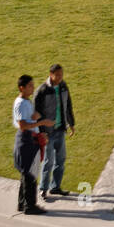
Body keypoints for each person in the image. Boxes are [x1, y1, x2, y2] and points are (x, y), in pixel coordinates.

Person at [13, 74, 54, 214]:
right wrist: (42, 122)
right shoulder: (20, 103)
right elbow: (23, 125)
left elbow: (28, 120)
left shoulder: (26, 102)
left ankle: (22, 204)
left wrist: (36, 122)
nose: (32, 88)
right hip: (26, 140)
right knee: (30, 174)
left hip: (31, 138)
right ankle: (30, 206)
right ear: (21, 87)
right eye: (30, 85)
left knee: (27, 174)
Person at [34, 65, 76, 201]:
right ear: (50, 74)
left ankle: (55, 187)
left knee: (61, 159)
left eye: (61, 75)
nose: (60, 77)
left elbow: (68, 105)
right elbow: (35, 113)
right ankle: (43, 189)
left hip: (60, 130)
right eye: (57, 75)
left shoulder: (63, 86)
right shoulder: (42, 90)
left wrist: (71, 123)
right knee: (48, 161)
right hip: (48, 133)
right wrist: (41, 131)